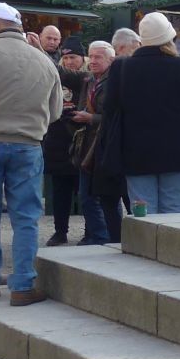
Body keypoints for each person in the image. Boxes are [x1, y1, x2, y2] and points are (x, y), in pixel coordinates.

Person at [0, 2, 64, 305]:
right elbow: (55, 112)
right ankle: (23, 285)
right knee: (26, 217)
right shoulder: (44, 61)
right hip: (28, 145)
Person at [104, 12, 180, 216]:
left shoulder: (122, 67)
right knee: (174, 213)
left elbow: (110, 106)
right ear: (169, 38)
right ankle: (173, 249)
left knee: (143, 213)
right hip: (175, 151)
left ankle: (145, 249)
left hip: (136, 152)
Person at [42, 37, 89, 246]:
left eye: (74, 57)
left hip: (82, 143)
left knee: (86, 193)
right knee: (61, 192)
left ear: (82, 58)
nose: (69, 61)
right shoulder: (53, 76)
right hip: (58, 142)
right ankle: (60, 231)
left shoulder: (87, 78)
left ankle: (91, 231)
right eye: (66, 57)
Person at [75, 40, 122, 244]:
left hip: (105, 146)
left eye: (97, 57)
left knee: (107, 197)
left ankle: (108, 238)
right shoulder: (90, 80)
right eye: (90, 56)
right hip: (87, 146)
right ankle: (100, 237)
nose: (92, 61)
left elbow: (117, 117)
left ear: (110, 60)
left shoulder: (115, 82)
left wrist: (91, 119)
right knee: (87, 197)